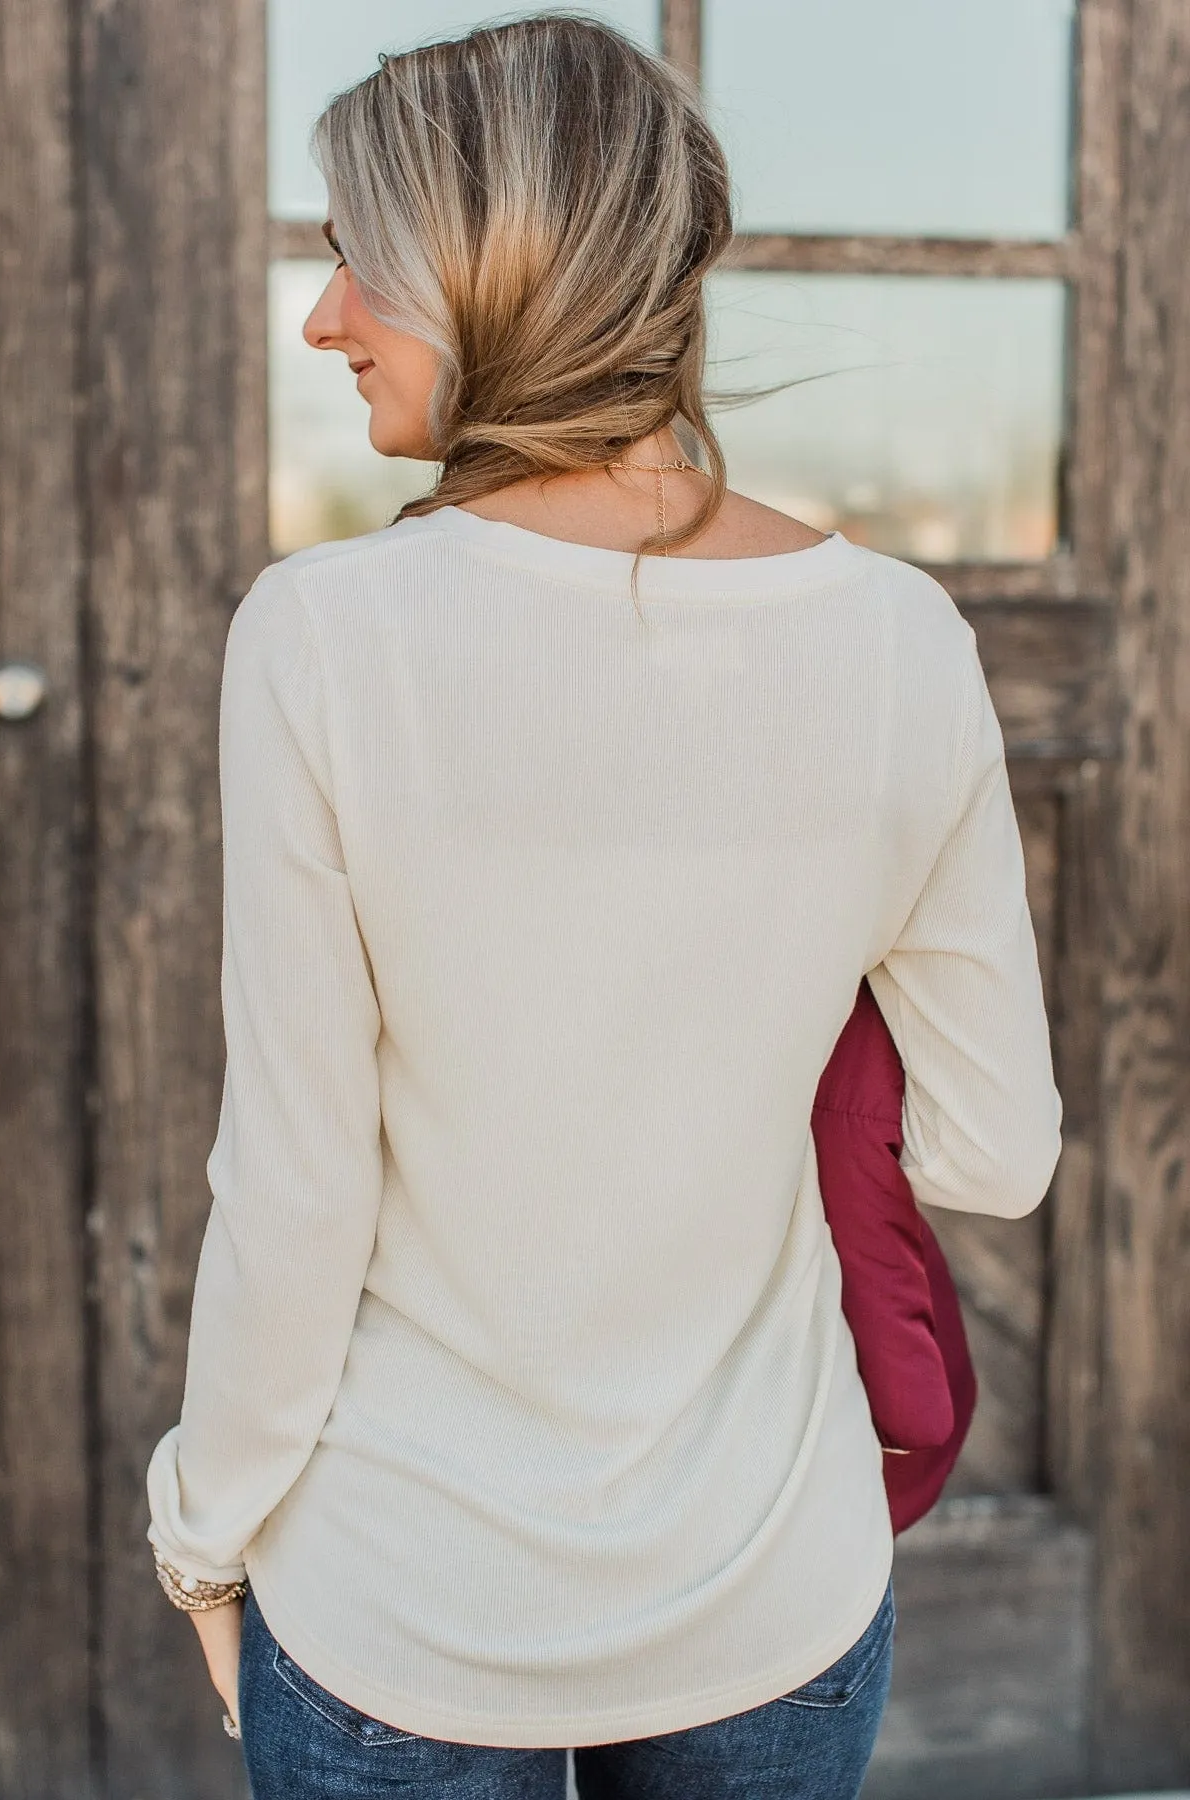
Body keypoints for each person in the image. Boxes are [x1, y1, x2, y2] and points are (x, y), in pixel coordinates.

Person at [145, 16, 1062, 1798]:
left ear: (493, 267)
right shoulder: (899, 641)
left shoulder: (325, 639)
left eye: (351, 254)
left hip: (404, 1610)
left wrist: (203, 1528)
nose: (320, 316)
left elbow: (298, 1184)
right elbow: (993, 1147)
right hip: (769, 1590)